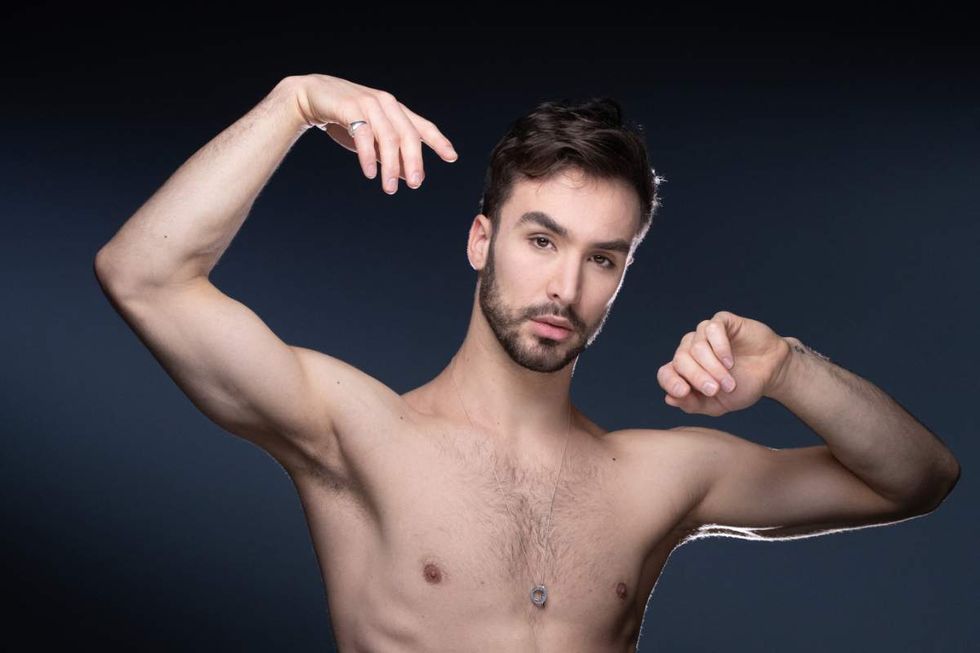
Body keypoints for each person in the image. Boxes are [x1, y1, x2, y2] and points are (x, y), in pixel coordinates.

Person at [93, 73, 961, 652]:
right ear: (482, 240)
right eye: (541, 239)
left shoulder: (656, 479)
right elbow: (142, 275)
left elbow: (918, 478)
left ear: (623, 274)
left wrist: (786, 368)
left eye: (602, 258)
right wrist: (294, 103)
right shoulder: (357, 431)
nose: (564, 286)